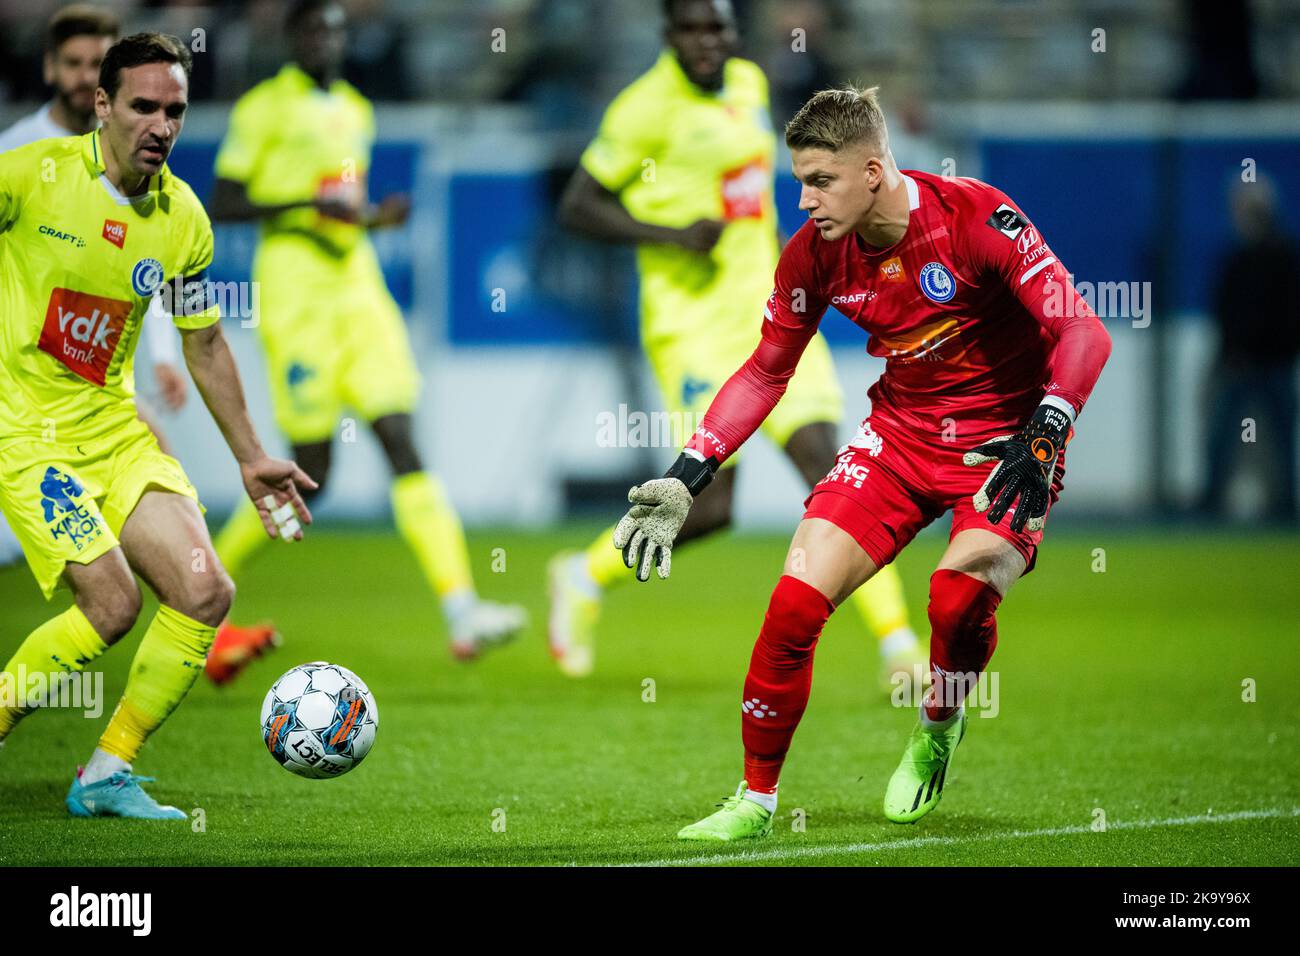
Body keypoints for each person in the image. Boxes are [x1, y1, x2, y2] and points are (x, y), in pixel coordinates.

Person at [612, 85, 1111, 839]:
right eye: (799, 182)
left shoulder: (975, 217)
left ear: (873, 171)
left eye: (820, 181)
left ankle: (939, 724)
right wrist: (690, 472)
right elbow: (764, 372)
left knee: (956, 600)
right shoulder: (813, 255)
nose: (804, 199)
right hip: (902, 438)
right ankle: (754, 801)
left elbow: (1084, 332)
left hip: (1007, 448)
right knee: (792, 605)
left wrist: (1046, 429)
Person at [548, 0, 924, 688]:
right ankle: (582, 574)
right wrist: (668, 235)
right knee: (710, 508)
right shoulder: (642, 109)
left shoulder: (750, 85)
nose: (707, 41)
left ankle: (900, 648)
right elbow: (578, 204)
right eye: (692, 28)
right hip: (690, 327)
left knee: (835, 472)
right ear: (668, 35)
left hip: (771, 314)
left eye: (718, 27)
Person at [0, 33, 316, 818]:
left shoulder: (182, 219)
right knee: (111, 606)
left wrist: (251, 456)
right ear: (102, 105)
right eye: (144, 106)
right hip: (23, 431)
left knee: (206, 590)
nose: (162, 125)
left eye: (175, 110)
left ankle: (106, 772)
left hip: (112, 427)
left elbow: (204, 340)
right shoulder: (31, 177)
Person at [207, 0, 526, 659]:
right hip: (297, 295)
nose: (326, 40)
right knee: (311, 468)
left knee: (401, 439)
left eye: (334, 29)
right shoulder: (262, 108)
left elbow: (342, 207)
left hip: (357, 290)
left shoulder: (355, 109)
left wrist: (374, 220)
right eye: (313, 29)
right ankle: (198, 590)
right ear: (292, 38)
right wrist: (303, 205)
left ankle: (462, 609)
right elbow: (226, 202)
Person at [1198, 177, 1299, 521]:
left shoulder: (1281, 256)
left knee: (1277, 438)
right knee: (1227, 436)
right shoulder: (1239, 257)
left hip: (1270, 364)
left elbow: (1286, 315)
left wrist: (1254, 350)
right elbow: (1224, 311)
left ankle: (1283, 503)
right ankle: (1214, 500)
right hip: (1243, 364)